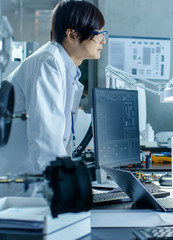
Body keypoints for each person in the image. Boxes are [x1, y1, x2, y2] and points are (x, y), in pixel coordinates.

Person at [0, 0, 106, 197]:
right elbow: (45, 137)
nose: (103, 40)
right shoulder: (47, 62)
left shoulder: (65, 68)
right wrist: (67, 188)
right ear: (72, 34)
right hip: (19, 183)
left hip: (32, 178)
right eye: (97, 33)